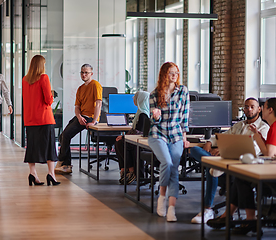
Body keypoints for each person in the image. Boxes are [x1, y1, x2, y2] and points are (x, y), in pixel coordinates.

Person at [190, 98, 269, 224]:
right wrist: (210, 142)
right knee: (194, 150)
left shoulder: (263, 128)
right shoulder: (239, 125)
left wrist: (222, 151)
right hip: (224, 160)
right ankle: (212, 162)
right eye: (246, 107)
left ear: (259, 109)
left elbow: (252, 150)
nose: (249, 109)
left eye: (252, 107)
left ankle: (208, 209)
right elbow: (223, 136)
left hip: (240, 165)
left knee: (211, 167)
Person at [207, 98, 276, 235]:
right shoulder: (271, 127)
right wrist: (257, 136)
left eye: (264, 106)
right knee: (241, 178)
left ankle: (248, 220)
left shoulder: (274, 127)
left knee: (242, 178)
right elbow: (268, 151)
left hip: (271, 172)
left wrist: (257, 137)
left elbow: (269, 153)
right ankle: (246, 219)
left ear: (270, 110)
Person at [148, 62, 190, 222]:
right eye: (171, 73)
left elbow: (184, 117)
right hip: (158, 134)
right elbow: (153, 122)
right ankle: (162, 196)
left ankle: (171, 208)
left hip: (176, 135)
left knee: (174, 170)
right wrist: (156, 116)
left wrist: (184, 138)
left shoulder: (183, 91)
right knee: (167, 162)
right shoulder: (154, 95)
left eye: (176, 73)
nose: (174, 76)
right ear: (164, 75)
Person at [55, 64, 102, 174]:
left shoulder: (95, 85)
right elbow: (77, 107)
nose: (84, 74)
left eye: (86, 72)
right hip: (82, 117)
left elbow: (98, 104)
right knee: (63, 135)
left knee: (66, 135)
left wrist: (94, 121)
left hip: (90, 118)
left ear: (91, 74)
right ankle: (66, 165)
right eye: (82, 72)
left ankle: (62, 162)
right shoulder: (80, 88)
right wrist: (79, 116)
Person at [22, 55, 60, 186]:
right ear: (41, 65)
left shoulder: (25, 80)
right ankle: (51, 175)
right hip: (44, 119)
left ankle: (33, 174)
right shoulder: (44, 78)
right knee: (49, 147)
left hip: (30, 119)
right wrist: (52, 93)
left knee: (31, 147)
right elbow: (48, 100)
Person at [114, 91, 150, 185]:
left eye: (136, 97)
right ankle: (124, 169)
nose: (133, 98)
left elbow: (138, 132)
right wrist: (123, 136)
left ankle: (131, 170)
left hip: (140, 142)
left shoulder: (143, 114)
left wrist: (124, 137)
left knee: (121, 143)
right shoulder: (140, 112)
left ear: (141, 99)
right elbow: (135, 130)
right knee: (119, 142)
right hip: (136, 139)